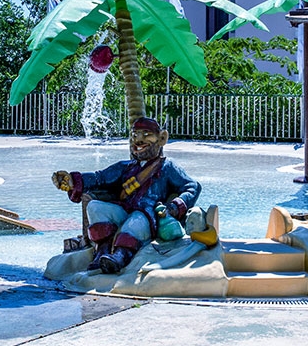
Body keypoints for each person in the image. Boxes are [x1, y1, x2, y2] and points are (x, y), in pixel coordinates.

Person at [52, 117, 201, 274]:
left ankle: (121, 256)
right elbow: (100, 177)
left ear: (161, 138)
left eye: (146, 134)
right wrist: (72, 181)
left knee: (135, 221)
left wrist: (175, 206)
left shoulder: (167, 167)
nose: (139, 140)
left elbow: (192, 186)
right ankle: (102, 250)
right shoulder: (126, 167)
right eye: (135, 134)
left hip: (147, 218)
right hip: (126, 211)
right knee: (95, 207)